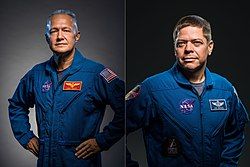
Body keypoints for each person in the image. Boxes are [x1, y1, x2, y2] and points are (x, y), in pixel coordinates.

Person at [126, 15, 249, 167]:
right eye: (181, 44)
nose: (188, 49)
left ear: (210, 47)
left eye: (197, 43)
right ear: (175, 49)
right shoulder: (153, 89)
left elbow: (236, 131)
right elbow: (119, 125)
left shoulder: (225, 89)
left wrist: (228, 164)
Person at [8, 9, 124, 167]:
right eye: (54, 31)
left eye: (66, 30)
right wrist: (26, 138)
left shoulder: (96, 74)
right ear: (47, 38)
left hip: (81, 162)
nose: (60, 36)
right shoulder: (36, 74)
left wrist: (102, 141)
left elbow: (127, 106)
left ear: (77, 36)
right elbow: (16, 105)